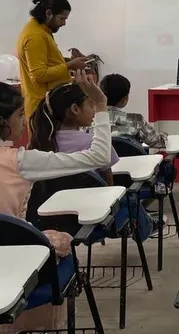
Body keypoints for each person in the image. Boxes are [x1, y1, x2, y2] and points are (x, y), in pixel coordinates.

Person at [0, 71, 111, 334]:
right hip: (17, 265)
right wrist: (101, 107)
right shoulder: (20, 162)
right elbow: (99, 156)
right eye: (19, 115)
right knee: (60, 246)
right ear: (3, 124)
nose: (24, 121)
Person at [26, 82, 155, 242]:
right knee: (130, 198)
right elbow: (108, 181)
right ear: (75, 109)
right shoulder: (94, 142)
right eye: (90, 104)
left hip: (51, 221)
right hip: (95, 220)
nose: (94, 110)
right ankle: (148, 227)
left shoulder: (38, 145)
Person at [16, 0, 89, 120]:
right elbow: (39, 74)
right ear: (49, 13)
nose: (64, 23)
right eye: (62, 18)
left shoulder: (41, 30)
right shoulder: (35, 36)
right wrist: (69, 66)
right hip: (42, 107)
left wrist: (69, 61)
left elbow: (47, 61)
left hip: (48, 103)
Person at [99, 73, 166, 148]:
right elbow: (157, 142)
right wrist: (163, 136)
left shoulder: (93, 120)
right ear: (124, 99)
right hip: (131, 155)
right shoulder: (136, 121)